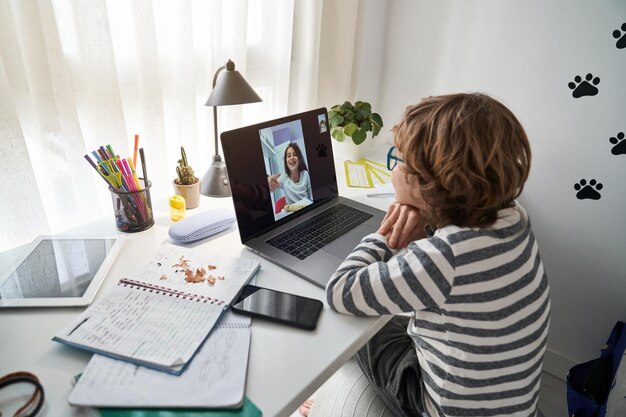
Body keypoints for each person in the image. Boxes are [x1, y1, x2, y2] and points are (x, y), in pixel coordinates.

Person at [300, 93, 550, 417]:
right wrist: (430, 217)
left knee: (364, 327)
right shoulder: (516, 218)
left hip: (438, 408)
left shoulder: (443, 258)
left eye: (399, 161)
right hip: (511, 404)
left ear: (429, 185)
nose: (394, 168)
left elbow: (341, 291)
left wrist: (385, 236)